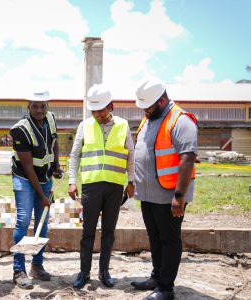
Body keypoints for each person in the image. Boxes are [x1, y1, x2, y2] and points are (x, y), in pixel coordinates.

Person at [131, 78, 198, 300]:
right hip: (149, 194)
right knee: (155, 237)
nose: (145, 111)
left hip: (170, 194)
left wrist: (179, 196)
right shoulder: (149, 119)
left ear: (161, 101)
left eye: (148, 107)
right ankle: (156, 276)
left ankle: (166, 288)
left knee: (169, 239)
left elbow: (187, 158)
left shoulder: (181, 121)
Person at [68, 84, 135, 289]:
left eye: (101, 110)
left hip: (115, 186)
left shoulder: (123, 125)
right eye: (94, 110)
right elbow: (75, 155)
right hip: (91, 186)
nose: (97, 114)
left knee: (109, 231)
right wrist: (72, 180)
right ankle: (84, 272)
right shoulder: (84, 126)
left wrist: (130, 181)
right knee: (87, 232)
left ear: (111, 106)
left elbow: (131, 155)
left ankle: (104, 271)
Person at [10, 90, 64, 289]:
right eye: (35, 106)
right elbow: (28, 166)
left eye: (43, 106)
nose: (39, 110)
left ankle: (37, 265)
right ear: (28, 106)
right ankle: (18, 269)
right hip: (25, 178)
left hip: (46, 177)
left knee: (42, 223)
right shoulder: (20, 130)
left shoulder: (50, 118)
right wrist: (42, 196)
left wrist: (56, 166)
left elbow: (54, 143)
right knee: (24, 219)